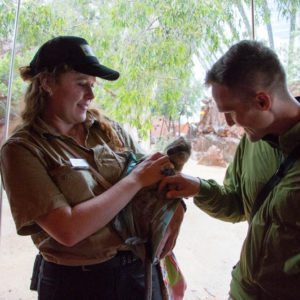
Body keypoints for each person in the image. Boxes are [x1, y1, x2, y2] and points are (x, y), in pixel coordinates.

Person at [0, 36, 183, 300]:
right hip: (78, 283)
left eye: (93, 85)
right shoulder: (22, 149)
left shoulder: (107, 129)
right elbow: (68, 230)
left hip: (138, 273)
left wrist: (176, 210)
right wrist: (134, 181)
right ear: (47, 83)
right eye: (82, 84)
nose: (91, 95)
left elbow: (156, 174)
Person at [159, 40, 300, 299]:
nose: (228, 124)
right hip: (242, 292)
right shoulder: (252, 142)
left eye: (231, 112)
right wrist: (199, 188)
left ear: (262, 101)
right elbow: (237, 204)